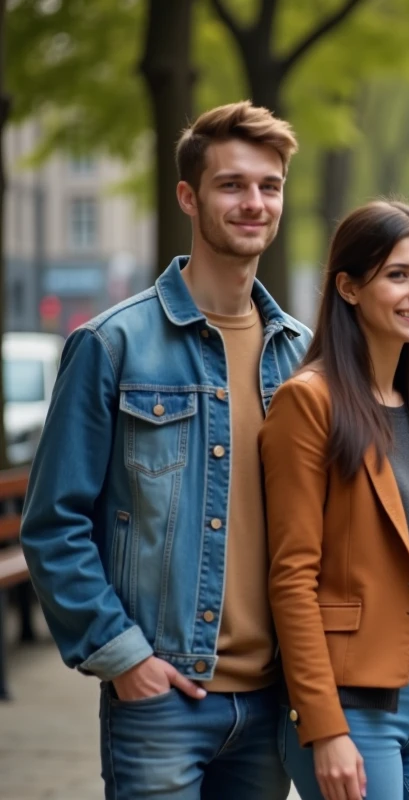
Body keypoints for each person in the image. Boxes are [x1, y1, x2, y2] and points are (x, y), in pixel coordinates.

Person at [20, 101, 307, 799]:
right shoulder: (111, 344)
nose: (254, 202)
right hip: (163, 696)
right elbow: (54, 522)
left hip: (276, 702)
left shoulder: (302, 353)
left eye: (269, 186)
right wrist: (123, 658)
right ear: (188, 196)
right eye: (231, 185)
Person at [261, 201, 409, 800]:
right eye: (398, 275)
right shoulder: (309, 402)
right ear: (349, 288)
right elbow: (291, 577)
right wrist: (323, 724)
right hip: (352, 705)